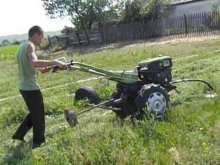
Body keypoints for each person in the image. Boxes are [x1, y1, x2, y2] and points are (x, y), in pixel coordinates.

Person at [12, 25, 67, 149]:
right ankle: (38, 141)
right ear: (36, 35)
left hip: (22, 86)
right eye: (41, 38)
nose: (41, 41)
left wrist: (43, 69)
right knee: (39, 115)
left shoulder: (21, 47)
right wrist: (55, 62)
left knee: (34, 111)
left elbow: (32, 65)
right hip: (31, 87)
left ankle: (19, 134)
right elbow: (34, 62)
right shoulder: (30, 45)